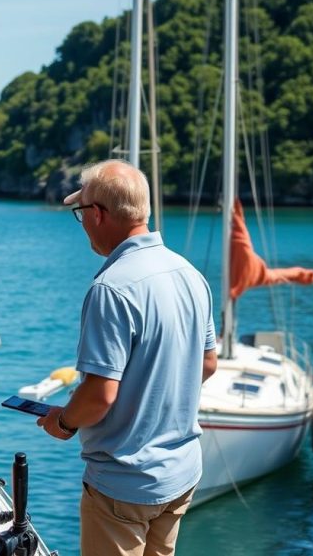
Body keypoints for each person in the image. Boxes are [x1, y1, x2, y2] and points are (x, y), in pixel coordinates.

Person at [37, 160, 218, 556]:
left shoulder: (111, 288)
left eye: (80, 213)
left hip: (125, 483)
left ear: (98, 215)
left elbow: (101, 394)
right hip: (181, 472)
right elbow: (207, 363)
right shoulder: (190, 274)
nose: (82, 223)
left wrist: (63, 422)